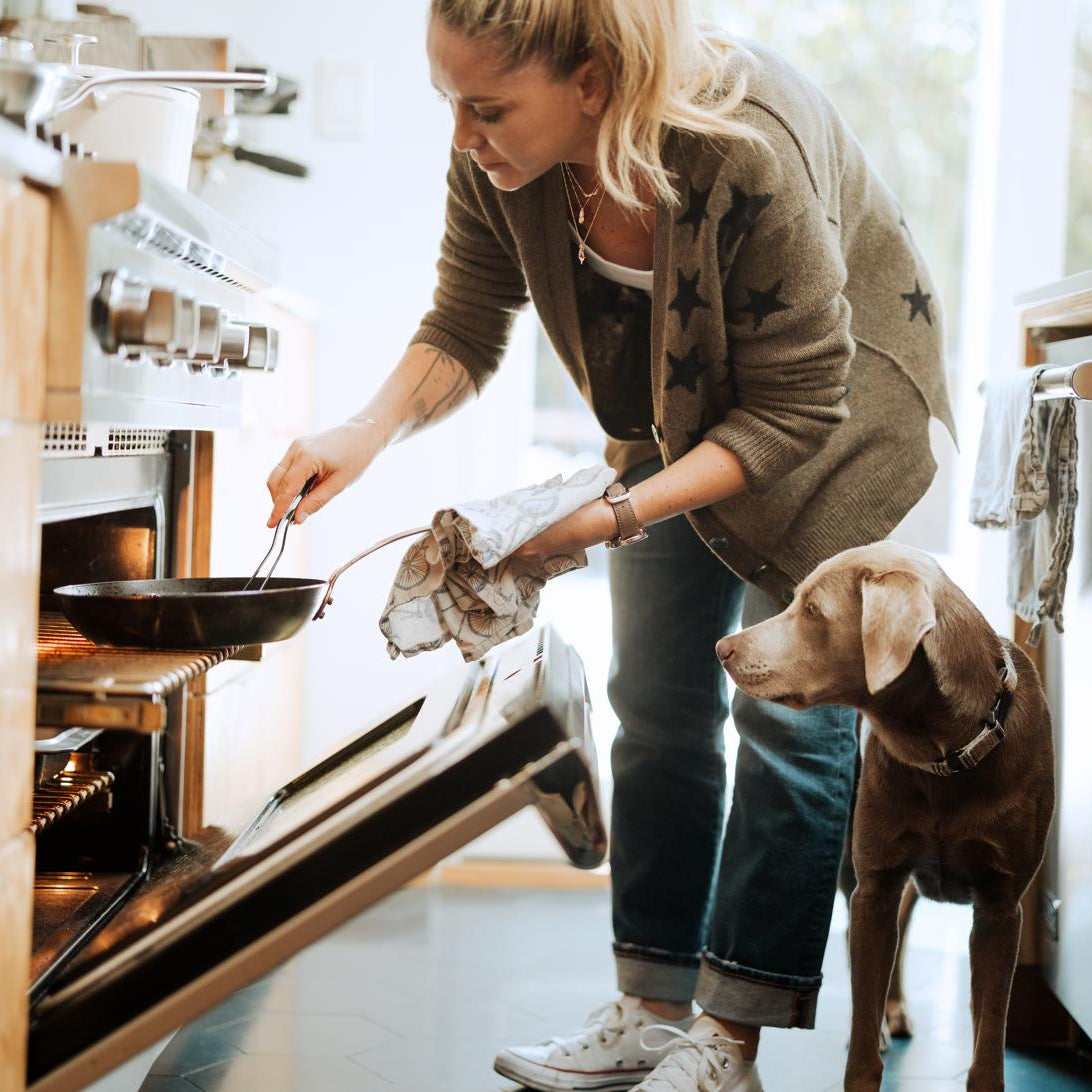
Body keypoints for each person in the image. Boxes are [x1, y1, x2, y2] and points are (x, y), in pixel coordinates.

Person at [266, 1, 955, 1088]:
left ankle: (728, 1046)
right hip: (673, 427)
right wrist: (364, 431)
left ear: (591, 83)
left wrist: (614, 514)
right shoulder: (499, 160)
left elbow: (794, 406)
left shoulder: (744, 148)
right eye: (453, 103)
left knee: (784, 722)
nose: (463, 134)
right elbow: (464, 317)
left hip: (833, 432)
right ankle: (650, 1009)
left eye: (487, 108)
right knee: (657, 706)